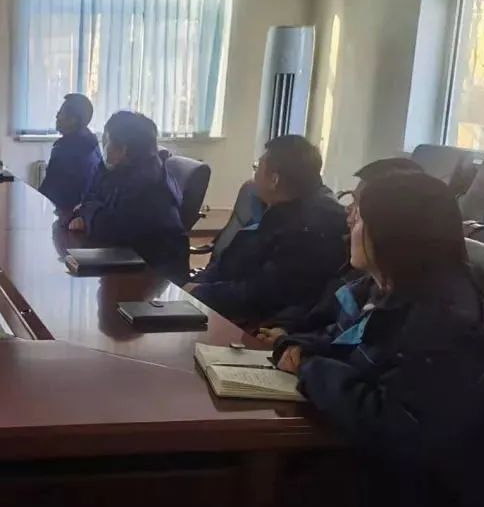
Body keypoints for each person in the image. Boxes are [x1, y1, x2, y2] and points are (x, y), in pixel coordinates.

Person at [247, 171, 484, 507]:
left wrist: (313, 370)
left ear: (394, 234)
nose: (350, 228)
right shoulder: (397, 290)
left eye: (361, 219)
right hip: (381, 492)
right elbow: (349, 345)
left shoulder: (446, 323)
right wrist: (303, 347)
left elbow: (395, 424)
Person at [256, 156, 424, 345]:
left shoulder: (409, 307)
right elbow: (319, 307)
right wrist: (288, 332)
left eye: (359, 207)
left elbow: (351, 353)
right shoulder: (355, 265)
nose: (349, 211)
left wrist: (298, 345)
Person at [186, 135, 348, 325]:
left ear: (274, 180)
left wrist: (199, 292)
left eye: (257, 167)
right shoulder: (283, 209)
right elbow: (234, 265)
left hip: (255, 324)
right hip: (225, 298)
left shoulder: (308, 228)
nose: (254, 176)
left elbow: (261, 293)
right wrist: (199, 284)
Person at [67, 110, 188, 282]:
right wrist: (89, 211)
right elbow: (90, 197)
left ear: (122, 149)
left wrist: (87, 212)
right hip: (127, 259)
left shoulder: (148, 183)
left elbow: (109, 228)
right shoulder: (118, 168)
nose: (103, 146)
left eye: (106, 140)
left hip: (154, 276)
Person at [38, 93, 103, 213]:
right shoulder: (92, 143)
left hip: (66, 215)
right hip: (83, 213)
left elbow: (49, 191)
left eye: (61, 113)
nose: (57, 116)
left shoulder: (65, 150)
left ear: (73, 120)